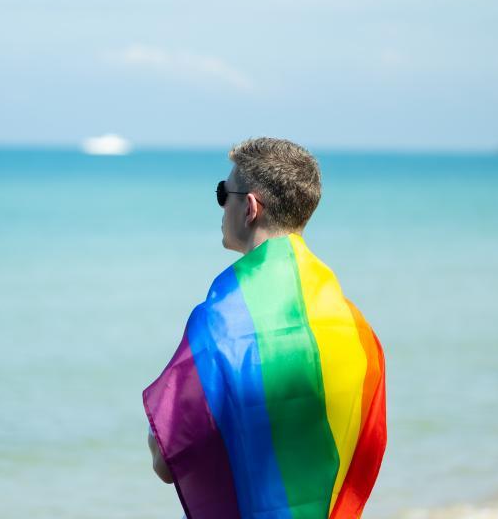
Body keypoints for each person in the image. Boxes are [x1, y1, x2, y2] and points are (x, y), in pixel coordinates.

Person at [143, 138, 386, 519]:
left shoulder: (220, 324)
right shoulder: (357, 327)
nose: (223, 204)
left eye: (224, 193)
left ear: (250, 207)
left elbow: (165, 460)